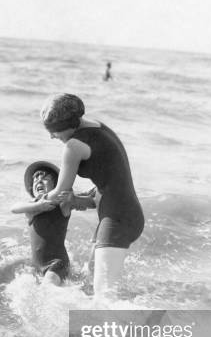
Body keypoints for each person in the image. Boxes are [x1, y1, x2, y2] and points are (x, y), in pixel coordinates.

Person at [40, 93, 144, 297]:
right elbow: (111, 184)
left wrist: (40, 201)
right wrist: (78, 199)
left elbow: (60, 191)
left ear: (69, 126)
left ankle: (144, 324)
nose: (52, 137)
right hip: (123, 213)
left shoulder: (73, 146)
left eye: (54, 131)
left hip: (118, 219)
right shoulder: (96, 127)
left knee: (104, 296)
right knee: (90, 282)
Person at [11, 161, 96, 285]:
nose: (39, 181)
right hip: (37, 265)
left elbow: (86, 200)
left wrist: (81, 197)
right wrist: (38, 205)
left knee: (48, 287)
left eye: (45, 178)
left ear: (56, 185)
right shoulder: (32, 209)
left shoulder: (62, 206)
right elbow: (14, 208)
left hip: (57, 263)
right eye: (35, 180)